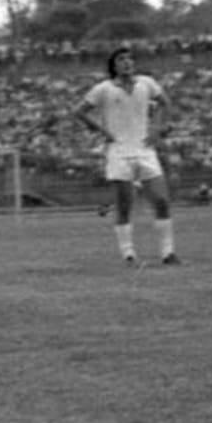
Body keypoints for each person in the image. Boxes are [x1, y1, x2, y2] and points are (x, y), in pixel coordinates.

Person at [74, 46, 180, 266]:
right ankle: (128, 253)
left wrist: (158, 129)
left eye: (130, 59)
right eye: (121, 59)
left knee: (161, 200)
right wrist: (102, 131)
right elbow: (79, 111)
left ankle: (168, 252)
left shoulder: (146, 83)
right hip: (119, 151)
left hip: (144, 149)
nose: (127, 62)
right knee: (124, 205)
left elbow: (166, 103)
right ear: (114, 65)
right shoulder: (104, 88)